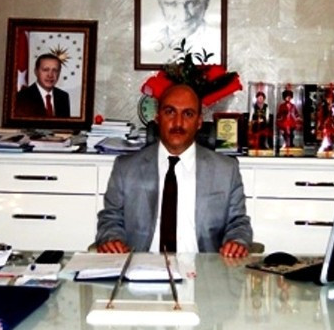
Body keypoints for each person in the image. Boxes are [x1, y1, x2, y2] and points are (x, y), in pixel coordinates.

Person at [95, 84, 252, 258]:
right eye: (170, 112)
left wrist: (237, 241)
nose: (178, 123)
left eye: (188, 114)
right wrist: (112, 239)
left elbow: (238, 223)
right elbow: (111, 218)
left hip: (203, 270)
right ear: (157, 118)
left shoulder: (226, 170)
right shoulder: (126, 168)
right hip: (141, 267)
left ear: (199, 122)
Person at [142, 0, 221, 65]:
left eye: (192, 3)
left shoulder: (218, 42)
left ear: (206, 1)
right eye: (171, 3)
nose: (183, 16)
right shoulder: (147, 43)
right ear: (160, 2)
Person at [15, 53, 70, 118]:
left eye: (55, 70)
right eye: (45, 70)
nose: (50, 75)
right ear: (36, 72)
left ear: (59, 73)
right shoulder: (22, 97)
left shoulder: (63, 97)